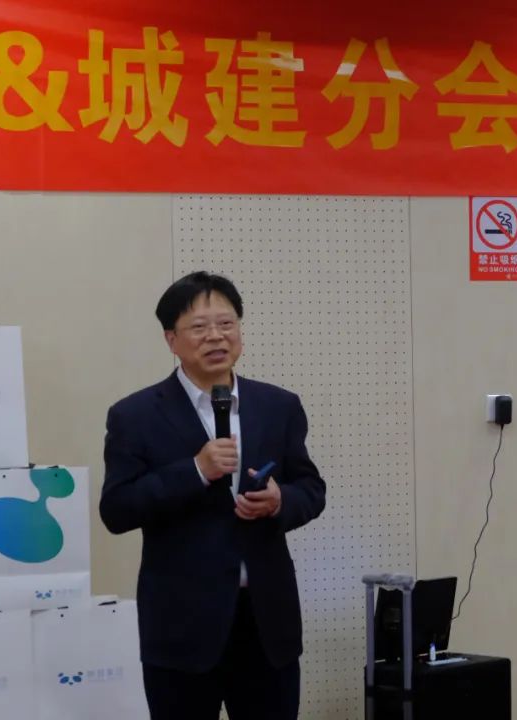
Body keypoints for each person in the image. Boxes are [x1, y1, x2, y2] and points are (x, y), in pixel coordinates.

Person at [100, 271, 326, 720]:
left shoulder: (278, 406)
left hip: (267, 624)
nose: (216, 337)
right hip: (181, 628)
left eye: (226, 324)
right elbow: (117, 509)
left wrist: (281, 501)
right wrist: (195, 472)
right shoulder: (135, 415)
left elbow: (311, 489)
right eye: (199, 327)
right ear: (171, 339)